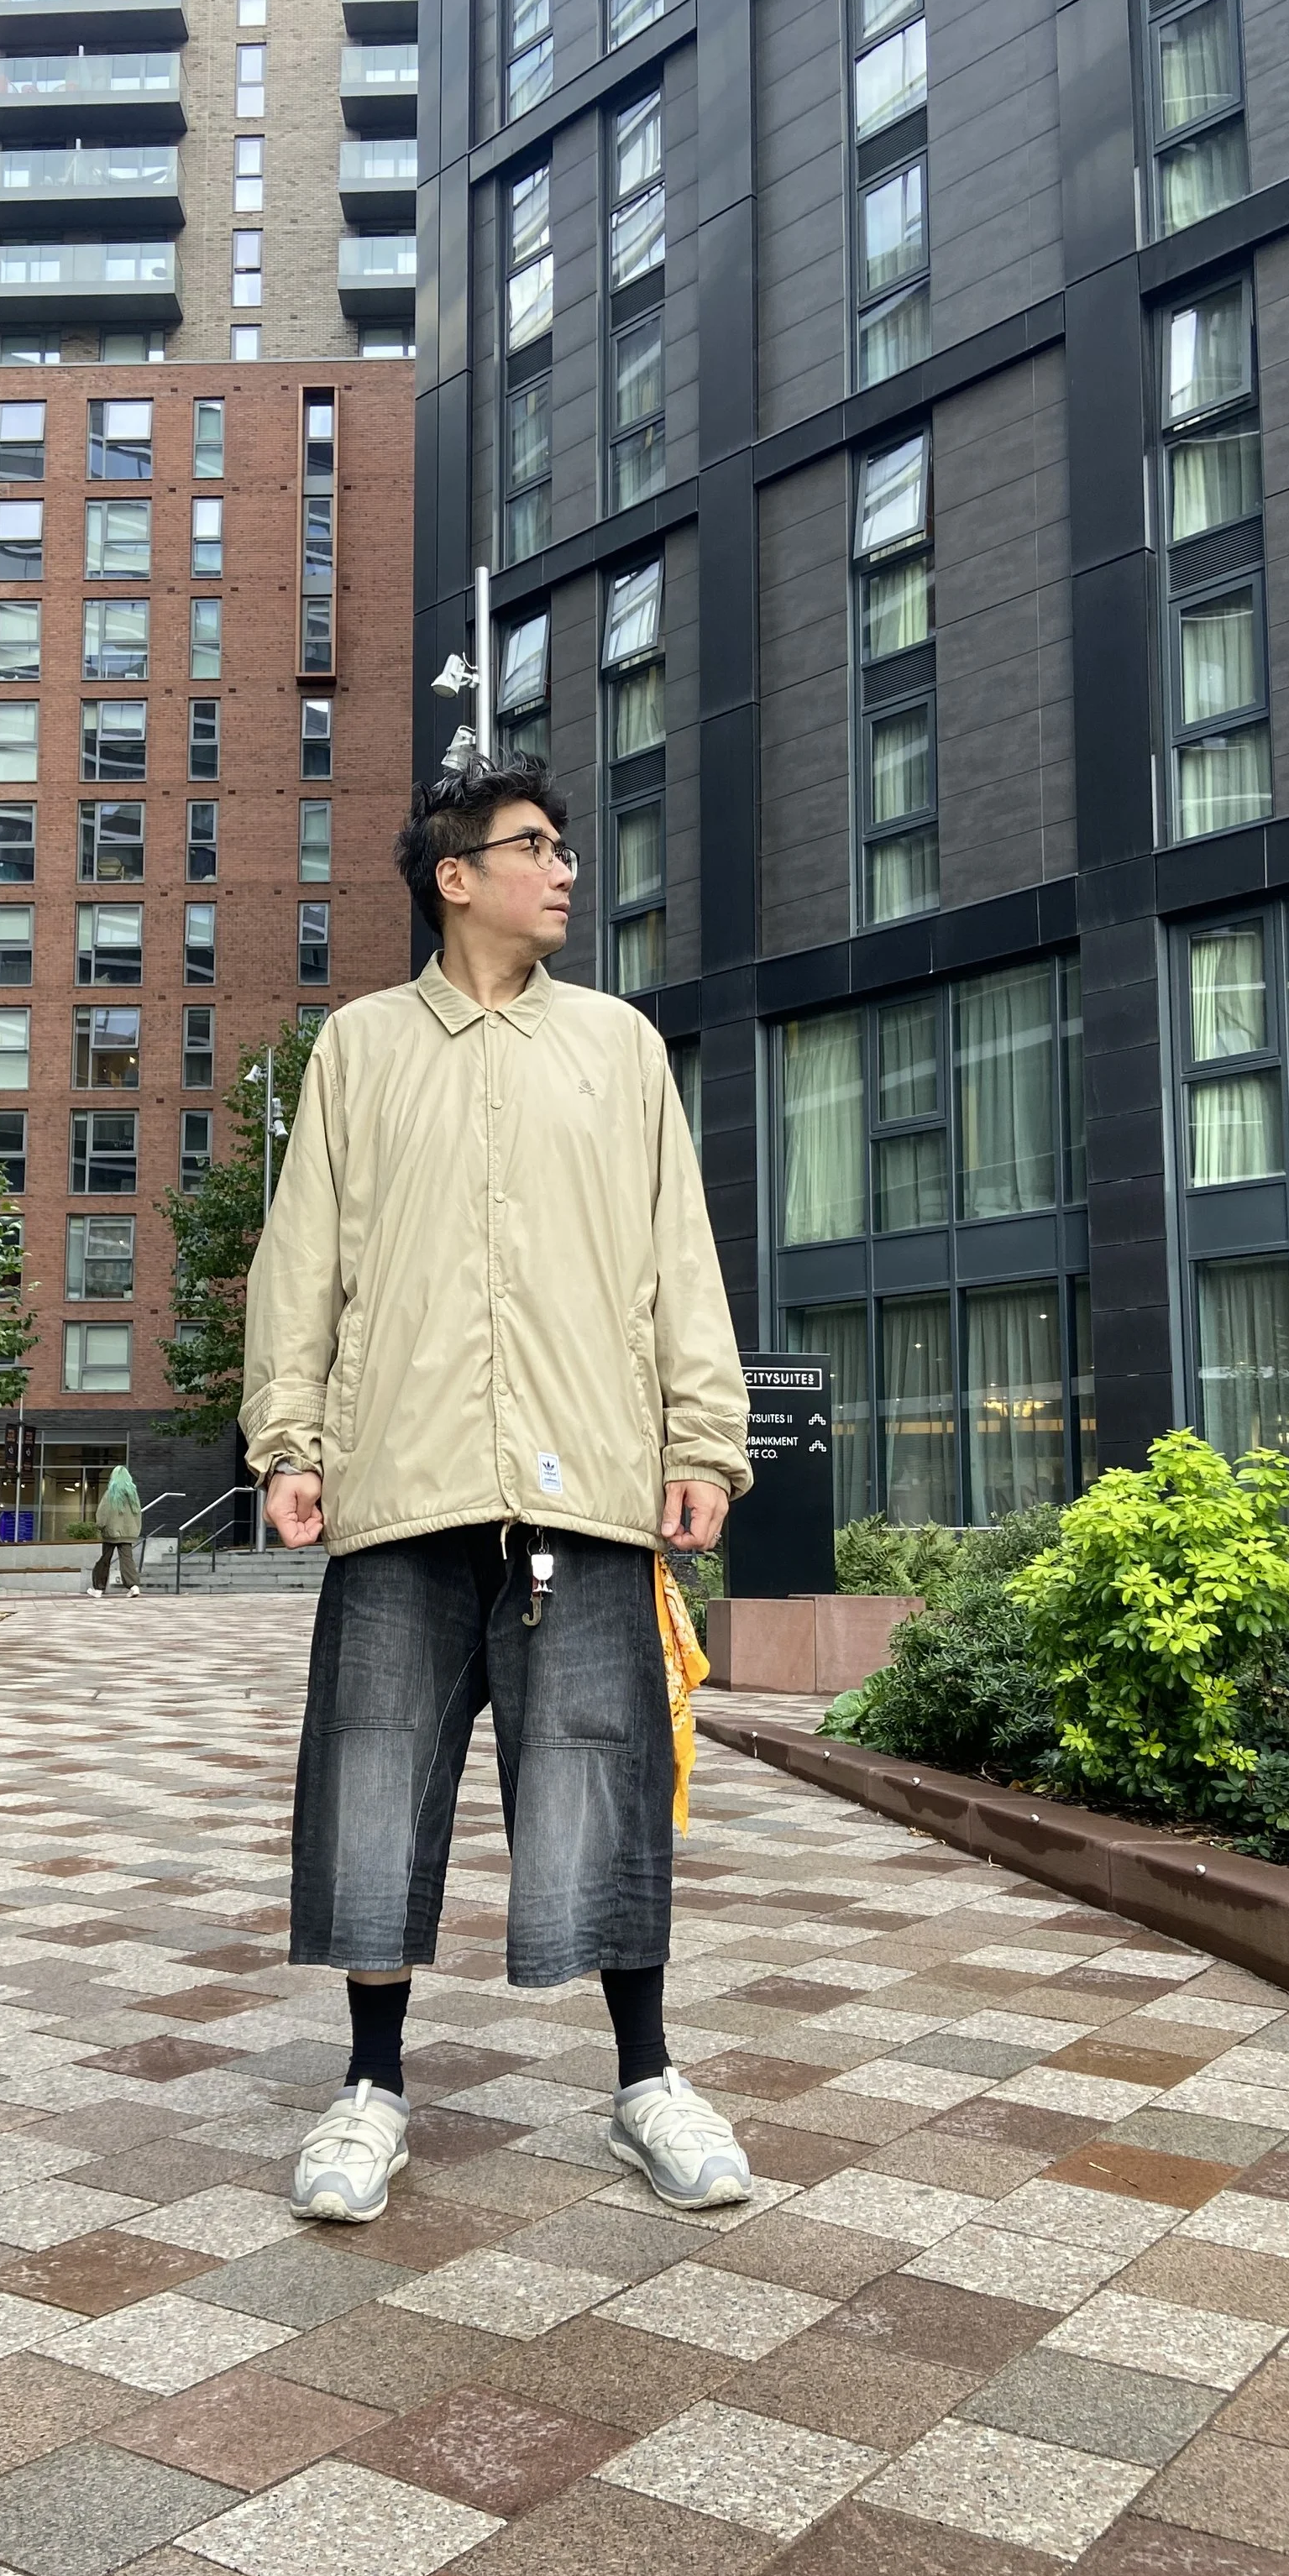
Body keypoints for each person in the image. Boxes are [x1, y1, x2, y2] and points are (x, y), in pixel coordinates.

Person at [243, 755, 753, 2227]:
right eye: (537, 847)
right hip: (400, 1489)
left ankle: (649, 2080)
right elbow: (305, 1263)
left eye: (566, 846)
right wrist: (289, 1439)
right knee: (372, 1781)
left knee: (606, 1776)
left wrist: (701, 1441)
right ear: (453, 876)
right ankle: (371, 2088)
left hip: (585, 1491)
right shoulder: (359, 1049)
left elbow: (678, 1261)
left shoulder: (619, 1046)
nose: (567, 870)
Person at [89, 1461, 144, 1595]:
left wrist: (99, 1525)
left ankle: (99, 1588)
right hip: (128, 1532)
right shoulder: (133, 1494)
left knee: (105, 1559)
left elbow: (103, 1512)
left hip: (111, 1532)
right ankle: (134, 1586)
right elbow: (138, 1514)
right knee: (127, 1559)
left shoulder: (110, 1493)